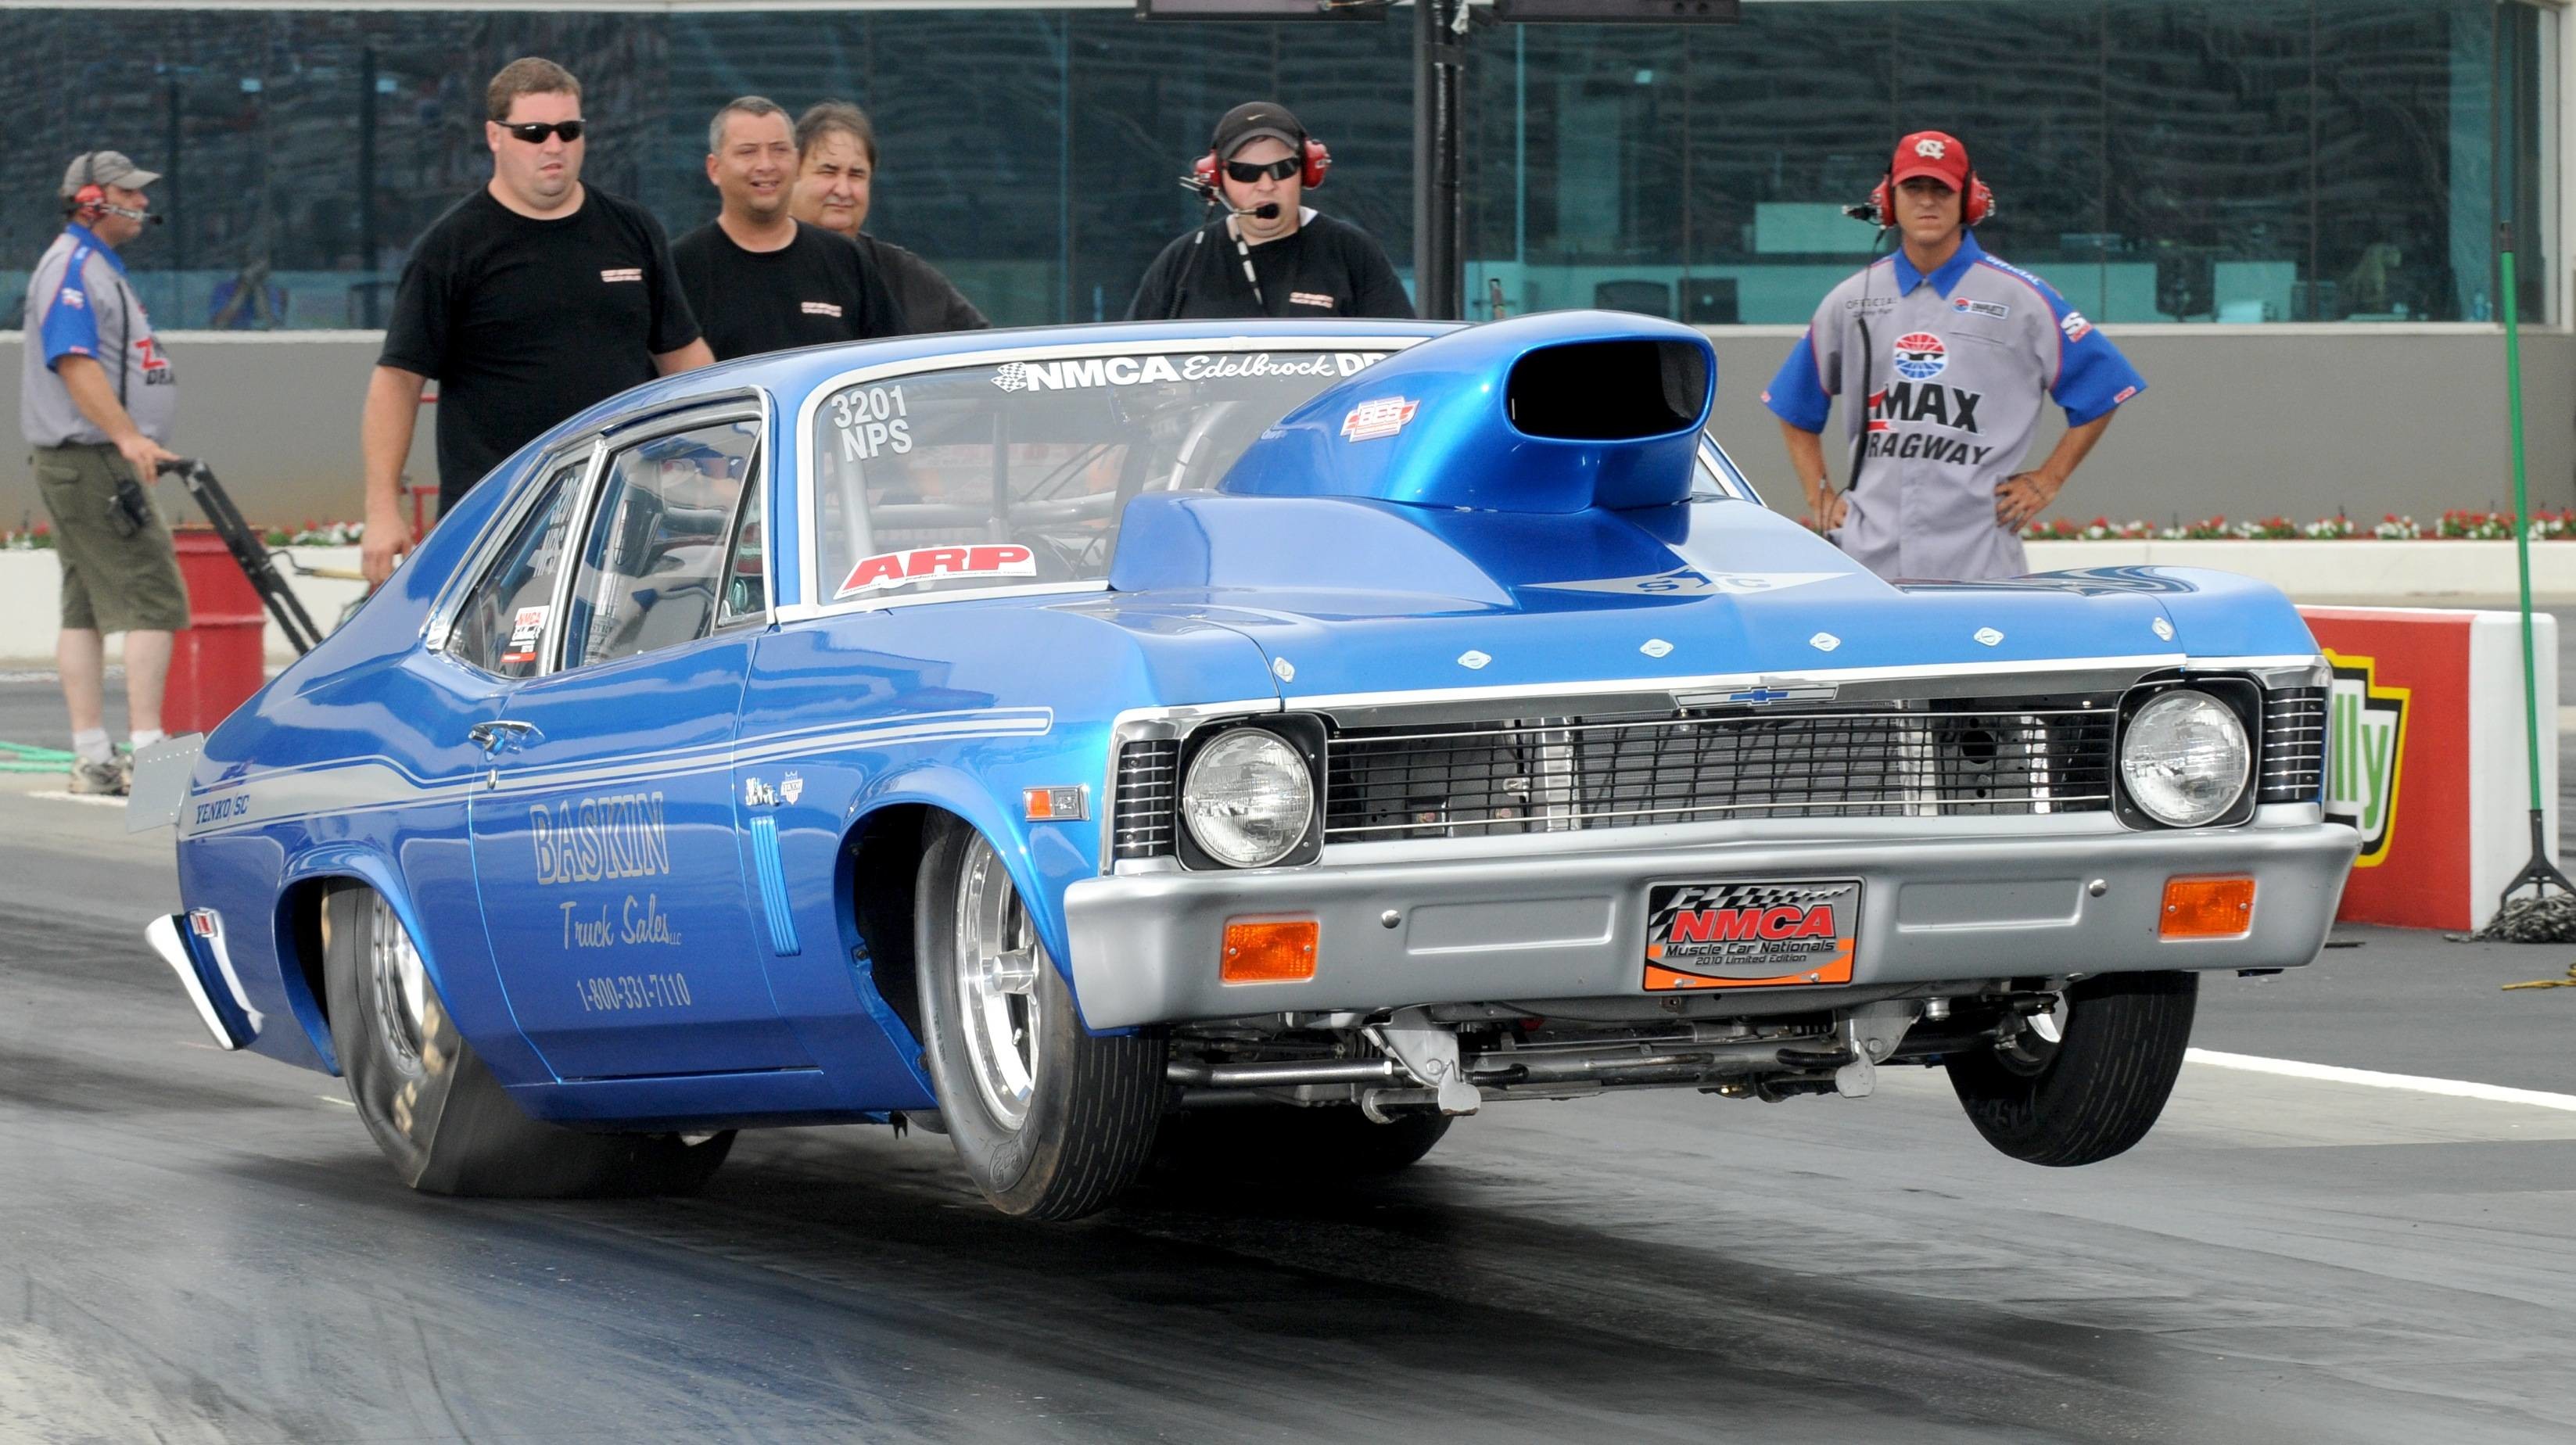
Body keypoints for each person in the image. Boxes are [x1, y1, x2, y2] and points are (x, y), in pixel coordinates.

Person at [361, 56, 713, 584]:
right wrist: (381, 507)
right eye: (534, 132)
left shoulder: (634, 231)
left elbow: (685, 359)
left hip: (624, 510)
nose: (555, 146)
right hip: (500, 523)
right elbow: (398, 380)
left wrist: (720, 464)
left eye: (569, 131)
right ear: (494, 136)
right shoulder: (451, 249)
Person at [1763, 131, 2146, 582]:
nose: (1928, 202)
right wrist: (1820, 496)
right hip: (1869, 564)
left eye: (1942, 189)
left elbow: (2106, 388)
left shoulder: (2022, 299)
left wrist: (2049, 479)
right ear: (1888, 199)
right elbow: (1795, 406)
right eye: (1914, 189)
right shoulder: (1851, 300)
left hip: (1980, 563)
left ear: (1970, 200)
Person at [20, 151, 185, 796]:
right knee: (156, 597)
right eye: (130, 193)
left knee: (84, 607)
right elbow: (75, 361)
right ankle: (152, 760)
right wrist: (128, 437)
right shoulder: (73, 269)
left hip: (87, 457)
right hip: (92, 457)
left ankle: (93, 756)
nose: (142, 204)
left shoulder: (91, 269)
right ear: (93, 200)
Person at [1126, 102, 1413, 321]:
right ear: (1217, 180)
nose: (1266, 185)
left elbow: (1402, 358)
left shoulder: (1351, 252)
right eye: (1245, 172)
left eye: (1282, 169)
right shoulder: (1183, 262)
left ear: (1308, 170)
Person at [673, 96, 906, 362]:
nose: (766, 165)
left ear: (796, 163)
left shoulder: (846, 260)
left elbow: (895, 368)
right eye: (748, 151)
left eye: (779, 150)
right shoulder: (680, 269)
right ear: (714, 169)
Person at [789, 101, 988, 335]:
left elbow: (981, 351)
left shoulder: (905, 277)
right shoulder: (760, 264)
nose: (843, 190)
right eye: (828, 171)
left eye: (856, 175)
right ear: (792, 175)